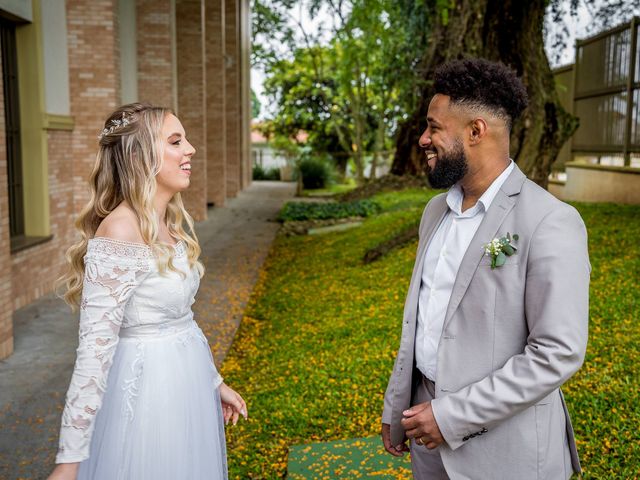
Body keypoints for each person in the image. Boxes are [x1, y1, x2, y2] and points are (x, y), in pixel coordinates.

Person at [381, 58, 590, 479]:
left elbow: (557, 352)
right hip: (425, 435)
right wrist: (396, 405)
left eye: (433, 127)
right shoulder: (434, 212)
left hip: (505, 452)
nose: (422, 139)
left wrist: (451, 416)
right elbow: (421, 319)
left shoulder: (551, 221)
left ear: (476, 132)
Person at [48, 103, 247, 480]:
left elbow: (182, 321)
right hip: (145, 399)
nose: (190, 149)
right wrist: (69, 463)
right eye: (176, 141)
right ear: (139, 155)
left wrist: (214, 382)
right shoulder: (120, 231)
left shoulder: (168, 222)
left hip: (184, 386)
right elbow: (93, 354)